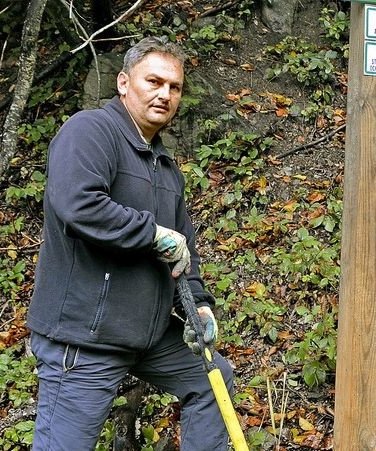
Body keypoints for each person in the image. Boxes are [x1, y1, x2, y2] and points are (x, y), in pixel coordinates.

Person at [27, 36, 233, 450]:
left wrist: (199, 304)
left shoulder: (165, 167)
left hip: (148, 335)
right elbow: (78, 204)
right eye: (153, 81)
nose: (165, 94)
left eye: (174, 87)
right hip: (86, 339)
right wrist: (151, 234)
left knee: (213, 378)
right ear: (123, 82)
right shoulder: (89, 131)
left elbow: (183, 251)